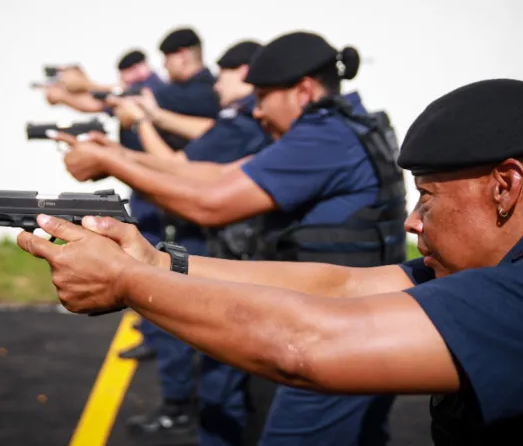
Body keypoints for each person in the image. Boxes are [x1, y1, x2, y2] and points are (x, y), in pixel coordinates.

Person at [19, 77, 523, 446]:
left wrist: (129, 283)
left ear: (505, 186)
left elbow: (305, 347)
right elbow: (337, 286)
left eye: (428, 195)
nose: (413, 220)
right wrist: (159, 263)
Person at [51, 31, 406, 445]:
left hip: (334, 333)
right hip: (351, 320)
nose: (255, 112)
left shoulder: (322, 136)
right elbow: (220, 175)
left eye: (262, 97)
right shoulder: (343, 126)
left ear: (304, 91)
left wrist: (114, 163)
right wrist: (119, 155)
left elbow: (209, 202)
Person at [56, 39, 270, 446]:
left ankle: (191, 416)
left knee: (210, 344)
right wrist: (120, 147)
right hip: (217, 240)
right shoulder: (234, 116)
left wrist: (125, 143)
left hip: (216, 240)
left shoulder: (237, 118)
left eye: (224, 74)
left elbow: (186, 171)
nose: (216, 84)